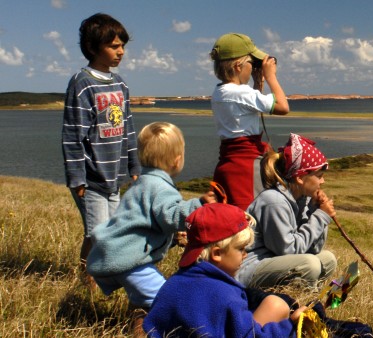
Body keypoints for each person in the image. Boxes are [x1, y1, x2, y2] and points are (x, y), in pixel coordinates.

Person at [85, 122, 215, 336]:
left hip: (118, 256)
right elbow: (172, 216)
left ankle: (138, 329)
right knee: (167, 299)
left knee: (145, 303)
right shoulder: (161, 188)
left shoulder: (142, 184)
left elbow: (144, 223)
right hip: (129, 262)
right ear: (177, 159)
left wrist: (171, 239)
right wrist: (199, 205)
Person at [144, 203, 307, 337]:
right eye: (241, 249)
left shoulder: (172, 283)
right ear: (217, 253)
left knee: (274, 303)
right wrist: (290, 326)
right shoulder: (225, 296)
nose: (245, 255)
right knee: (277, 306)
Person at [61, 12, 140, 288]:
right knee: (100, 233)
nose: (121, 52)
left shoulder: (120, 84)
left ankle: (85, 276)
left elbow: (128, 128)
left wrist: (134, 166)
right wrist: (77, 177)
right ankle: (92, 283)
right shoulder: (82, 82)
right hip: (92, 178)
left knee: (102, 231)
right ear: (94, 48)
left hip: (114, 177)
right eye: (114, 46)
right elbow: (73, 134)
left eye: (122, 46)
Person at [237, 133, 337, 289]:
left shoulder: (300, 199)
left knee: (328, 259)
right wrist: (321, 217)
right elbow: (288, 250)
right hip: (251, 268)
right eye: (319, 176)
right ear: (299, 178)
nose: (322, 181)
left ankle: (302, 295)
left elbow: (314, 248)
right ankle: (301, 303)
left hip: (273, 261)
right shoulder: (274, 202)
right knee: (310, 264)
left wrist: (314, 210)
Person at [209, 32, 289, 211]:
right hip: (246, 166)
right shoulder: (242, 93)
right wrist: (271, 77)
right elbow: (283, 107)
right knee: (252, 217)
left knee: (230, 215)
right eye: (251, 64)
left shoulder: (219, 92)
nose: (253, 68)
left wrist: (257, 85)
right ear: (239, 66)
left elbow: (245, 109)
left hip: (228, 164)